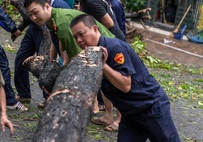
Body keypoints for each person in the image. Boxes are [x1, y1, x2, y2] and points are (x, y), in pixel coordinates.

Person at [70, 14, 181, 142]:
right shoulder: (91, 55)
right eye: (75, 37)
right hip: (130, 113)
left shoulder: (115, 48)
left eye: (81, 34)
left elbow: (125, 85)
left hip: (150, 107)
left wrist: (103, 66)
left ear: (95, 29)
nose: (78, 40)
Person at [14, 0, 70, 105]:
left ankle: (50, 97)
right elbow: (53, 37)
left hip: (65, 48)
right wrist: (52, 60)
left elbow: (63, 40)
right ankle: (25, 94)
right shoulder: (44, 13)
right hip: (37, 33)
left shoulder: (59, 7)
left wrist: (62, 60)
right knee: (21, 59)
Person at [23, 0, 115, 66]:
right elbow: (65, 46)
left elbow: (77, 56)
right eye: (30, 15)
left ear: (47, 6)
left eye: (35, 12)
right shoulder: (52, 19)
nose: (34, 18)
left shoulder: (61, 22)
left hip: (109, 52)